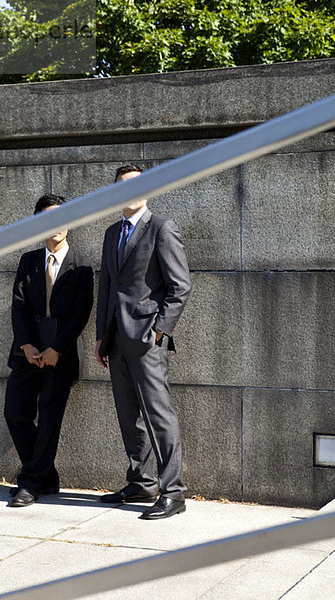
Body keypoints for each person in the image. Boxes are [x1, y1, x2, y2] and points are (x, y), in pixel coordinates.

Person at [95, 165, 191, 520]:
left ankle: (174, 492)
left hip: (147, 340)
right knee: (128, 416)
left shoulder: (162, 229)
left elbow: (180, 287)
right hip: (116, 340)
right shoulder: (110, 234)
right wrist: (101, 336)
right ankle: (141, 481)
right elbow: (106, 286)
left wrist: (159, 332)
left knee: (158, 415)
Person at [5, 194, 94, 507]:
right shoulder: (28, 260)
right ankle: (45, 475)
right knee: (15, 412)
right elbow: (18, 306)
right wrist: (27, 344)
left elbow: (82, 312)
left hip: (61, 354)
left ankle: (29, 483)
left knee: (49, 418)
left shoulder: (82, 265)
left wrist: (57, 347)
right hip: (27, 351)